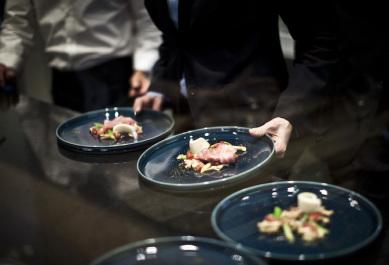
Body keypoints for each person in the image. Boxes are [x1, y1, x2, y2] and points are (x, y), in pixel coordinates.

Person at [132, 0, 337, 158]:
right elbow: (176, 36)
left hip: (254, 122)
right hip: (187, 118)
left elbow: (320, 41)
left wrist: (290, 113)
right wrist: (159, 86)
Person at [0, 0, 161, 112]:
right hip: (63, 81)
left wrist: (144, 67)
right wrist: (5, 61)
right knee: (72, 154)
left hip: (115, 75)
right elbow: (17, 22)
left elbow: (147, 14)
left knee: (121, 149)